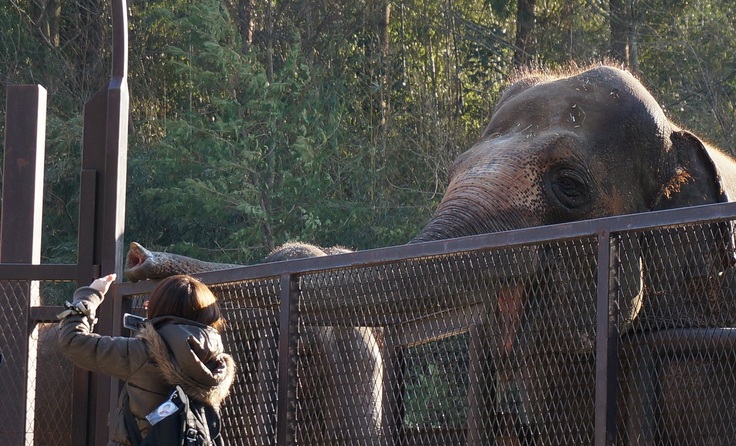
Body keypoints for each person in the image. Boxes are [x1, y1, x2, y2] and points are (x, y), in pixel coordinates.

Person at [58, 273, 236, 446]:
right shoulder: (216, 361)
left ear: (159, 308)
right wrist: (155, 321)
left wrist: (91, 294)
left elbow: (73, 341)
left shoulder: (143, 352)